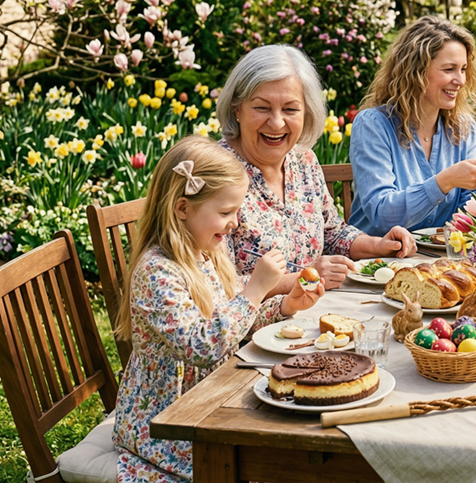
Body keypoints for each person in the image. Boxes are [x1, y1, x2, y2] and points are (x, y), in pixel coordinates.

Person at [113, 136, 325, 482]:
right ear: (182, 208)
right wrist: (255, 289)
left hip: (211, 396)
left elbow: (230, 321)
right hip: (168, 422)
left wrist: (284, 305)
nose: (235, 223)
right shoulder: (157, 271)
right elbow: (203, 346)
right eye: (226, 212)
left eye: (237, 211)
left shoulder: (204, 254)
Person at [217, 45, 417, 291]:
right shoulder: (215, 173)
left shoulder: (304, 161)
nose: (277, 122)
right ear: (237, 108)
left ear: (307, 113)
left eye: (290, 109)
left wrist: (378, 245)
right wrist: (305, 278)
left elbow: (331, 234)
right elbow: (215, 285)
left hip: (318, 307)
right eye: (262, 108)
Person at [348, 16, 476, 236]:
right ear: (416, 71)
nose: (461, 80)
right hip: (380, 253)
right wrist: (445, 181)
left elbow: (470, 208)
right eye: (449, 69)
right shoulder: (373, 125)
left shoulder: (463, 127)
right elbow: (382, 214)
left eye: (463, 69)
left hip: (440, 254)